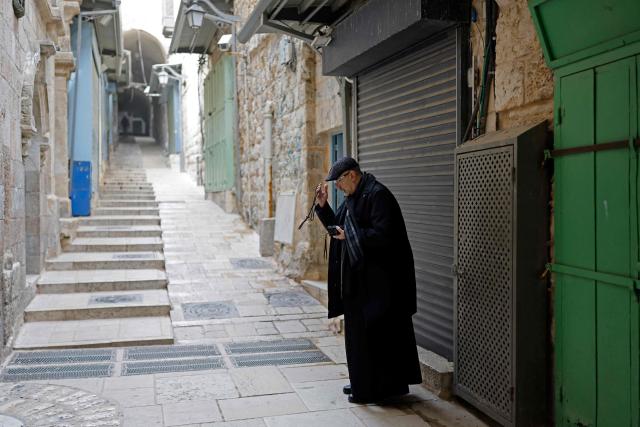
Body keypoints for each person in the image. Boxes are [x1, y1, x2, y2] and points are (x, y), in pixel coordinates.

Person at [314, 156, 422, 403]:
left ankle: (379, 390)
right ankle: (362, 383)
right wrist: (322, 206)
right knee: (357, 337)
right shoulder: (354, 197)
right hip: (359, 282)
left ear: (352, 175)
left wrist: (351, 235)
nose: (337, 187)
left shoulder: (378, 195)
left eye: (339, 181)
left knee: (379, 338)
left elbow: (385, 236)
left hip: (380, 284)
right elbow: (338, 228)